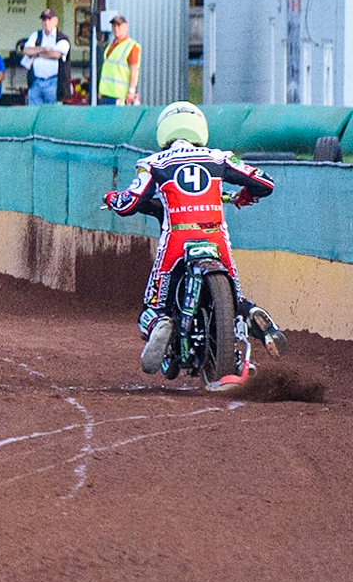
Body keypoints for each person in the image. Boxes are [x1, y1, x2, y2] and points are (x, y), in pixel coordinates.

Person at [105, 103, 285, 385]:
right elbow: (266, 183)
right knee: (235, 299)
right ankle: (252, 314)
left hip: (177, 239)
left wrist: (112, 199)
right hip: (215, 238)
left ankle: (160, 323)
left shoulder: (154, 163)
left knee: (153, 305)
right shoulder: (219, 157)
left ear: (163, 131)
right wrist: (245, 195)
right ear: (200, 129)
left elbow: (131, 203)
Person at [22, 8, 70, 106]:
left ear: (56, 21)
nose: (46, 22)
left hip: (53, 82)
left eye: (49, 19)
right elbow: (26, 50)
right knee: (34, 113)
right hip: (35, 82)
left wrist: (36, 53)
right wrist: (44, 49)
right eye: (44, 19)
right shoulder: (36, 35)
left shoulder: (62, 38)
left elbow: (56, 55)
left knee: (52, 114)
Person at [98, 14, 141, 106]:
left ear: (126, 27)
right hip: (106, 94)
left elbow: (134, 70)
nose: (116, 29)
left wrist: (131, 91)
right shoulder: (110, 45)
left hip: (120, 96)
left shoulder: (132, 46)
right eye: (114, 26)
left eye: (119, 26)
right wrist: (101, 90)